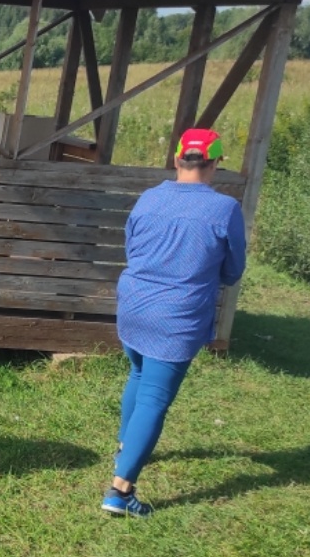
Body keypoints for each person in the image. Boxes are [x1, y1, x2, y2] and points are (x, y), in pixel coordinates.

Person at [104, 128, 247, 517]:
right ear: (215, 163)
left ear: (177, 159)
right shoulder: (224, 209)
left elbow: (132, 246)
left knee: (137, 375)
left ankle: (125, 447)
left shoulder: (149, 198)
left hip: (134, 304)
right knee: (154, 397)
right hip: (177, 315)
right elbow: (233, 270)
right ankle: (120, 492)